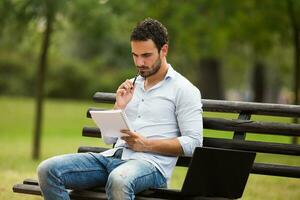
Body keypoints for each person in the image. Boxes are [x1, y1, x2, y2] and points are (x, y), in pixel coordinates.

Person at [37, 18, 203, 200]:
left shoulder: (184, 90)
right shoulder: (131, 85)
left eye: (146, 55)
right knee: (48, 170)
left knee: (118, 180)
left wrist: (146, 144)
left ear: (164, 50)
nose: (139, 63)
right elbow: (109, 139)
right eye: (135, 55)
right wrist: (119, 106)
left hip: (150, 166)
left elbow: (194, 142)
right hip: (114, 157)